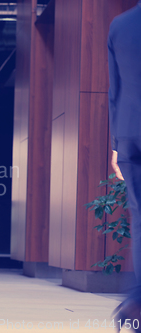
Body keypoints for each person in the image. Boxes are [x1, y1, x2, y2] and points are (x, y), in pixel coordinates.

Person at [108, 2, 141, 330]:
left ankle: (136, 303)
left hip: (130, 134)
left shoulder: (120, 24)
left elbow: (114, 91)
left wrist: (117, 144)